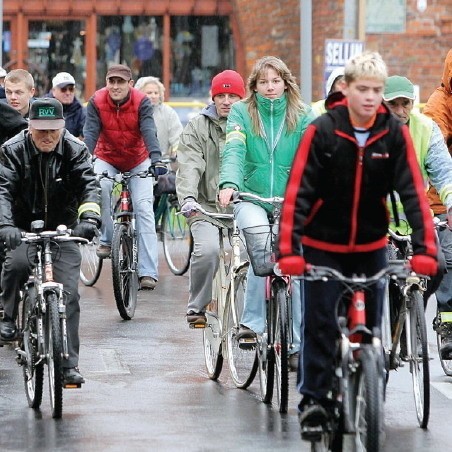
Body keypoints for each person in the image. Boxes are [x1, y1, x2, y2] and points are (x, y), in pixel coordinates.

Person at [276, 51, 438, 429]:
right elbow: (298, 192)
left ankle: (368, 393)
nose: (369, 97)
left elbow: (413, 193)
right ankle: (314, 402)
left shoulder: (392, 134)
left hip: (370, 246)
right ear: (346, 89)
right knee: (320, 325)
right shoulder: (324, 131)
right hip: (324, 246)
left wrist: (427, 249)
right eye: (362, 89)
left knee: (372, 331)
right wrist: (288, 251)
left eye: (376, 90)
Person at [218, 56, 316, 369]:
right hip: (252, 197)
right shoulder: (241, 112)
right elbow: (233, 149)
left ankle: (297, 344)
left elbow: (313, 158)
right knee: (260, 251)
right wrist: (230, 183)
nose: (270, 88)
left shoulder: (303, 114)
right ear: (254, 86)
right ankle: (252, 324)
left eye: (275, 81)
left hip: (291, 201)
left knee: (297, 267)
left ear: (286, 82)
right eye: (263, 82)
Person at [0, 98, 101, 385]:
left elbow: (88, 186)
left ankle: (68, 365)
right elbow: (2, 190)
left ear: (63, 126)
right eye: (40, 129)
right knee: (17, 265)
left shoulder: (76, 149)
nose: (47, 136)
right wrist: (5, 225)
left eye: (52, 130)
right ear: (29, 125)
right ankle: (8, 318)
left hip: (63, 228)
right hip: (22, 227)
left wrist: (89, 220)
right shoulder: (12, 150)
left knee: (69, 293)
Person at [83, 64, 166, 291]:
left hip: (138, 158)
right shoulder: (96, 102)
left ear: (130, 84)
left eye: (121, 82)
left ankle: (148, 272)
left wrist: (156, 158)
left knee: (144, 207)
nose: (116, 86)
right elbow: (90, 132)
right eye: (112, 82)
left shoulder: (142, 102)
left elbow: (149, 130)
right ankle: (107, 239)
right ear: (106, 83)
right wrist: (83, 157)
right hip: (107, 157)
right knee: (102, 187)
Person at [176, 69, 245, 327]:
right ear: (213, 98)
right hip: (205, 206)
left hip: (244, 204)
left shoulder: (251, 124)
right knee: (208, 251)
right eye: (221, 95)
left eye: (232, 95)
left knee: (259, 254)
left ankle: (253, 317)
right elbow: (189, 164)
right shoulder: (197, 126)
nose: (226, 101)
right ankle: (197, 307)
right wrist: (189, 199)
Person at [423, 49, 452, 357]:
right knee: (450, 259)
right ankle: (447, 323)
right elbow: (435, 145)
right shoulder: (438, 104)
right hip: (444, 201)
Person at [135, 76, 183, 160]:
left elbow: (178, 138)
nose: (153, 96)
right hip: (136, 163)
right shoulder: (132, 111)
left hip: (162, 162)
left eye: (156, 93)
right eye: (149, 93)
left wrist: (177, 151)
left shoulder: (169, 113)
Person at [48, 72, 86, 139]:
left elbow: (85, 136)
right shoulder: (43, 107)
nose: (68, 93)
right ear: (53, 91)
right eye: (63, 89)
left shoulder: (80, 110)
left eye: (71, 89)